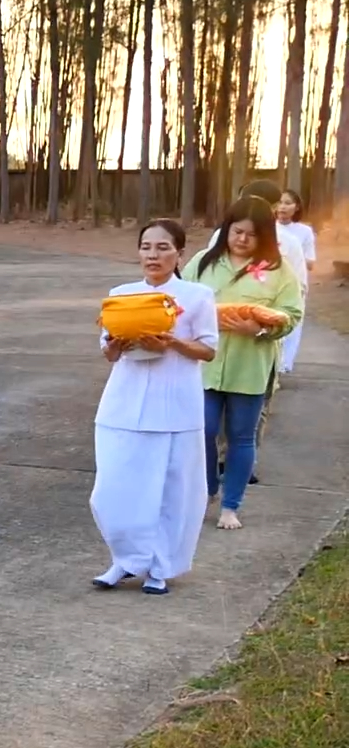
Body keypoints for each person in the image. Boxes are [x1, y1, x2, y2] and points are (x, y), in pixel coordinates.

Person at [90, 220, 218, 596]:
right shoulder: (121, 294)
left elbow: (208, 349)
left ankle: (161, 566)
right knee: (113, 488)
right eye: (146, 247)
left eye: (163, 248)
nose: (153, 255)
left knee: (171, 489)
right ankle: (124, 560)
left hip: (175, 403)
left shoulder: (197, 296)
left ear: (179, 253)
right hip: (124, 403)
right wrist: (116, 344)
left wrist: (173, 343)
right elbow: (108, 351)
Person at [189, 196, 303, 531]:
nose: (241, 239)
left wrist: (262, 328)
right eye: (237, 231)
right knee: (203, 429)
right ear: (227, 229)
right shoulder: (202, 263)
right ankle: (208, 488)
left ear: (264, 236)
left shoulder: (279, 271)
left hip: (250, 365)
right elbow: (180, 303)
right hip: (205, 365)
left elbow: (292, 314)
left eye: (251, 235)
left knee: (241, 436)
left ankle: (230, 505)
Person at [273, 190, 318, 374]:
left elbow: (310, 263)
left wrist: (292, 256)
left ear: (297, 207)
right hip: (270, 281)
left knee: (291, 324)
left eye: (288, 203)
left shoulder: (304, 232)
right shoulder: (268, 228)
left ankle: (283, 366)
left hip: (294, 282)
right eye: (280, 202)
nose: (283, 207)